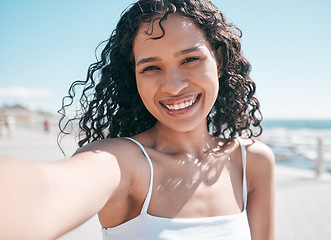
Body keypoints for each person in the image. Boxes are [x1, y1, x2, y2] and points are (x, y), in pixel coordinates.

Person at [0, 0, 275, 239]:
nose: (173, 85)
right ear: (134, 77)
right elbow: (47, 192)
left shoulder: (253, 161)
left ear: (220, 60)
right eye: (151, 67)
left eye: (190, 59)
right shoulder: (122, 163)